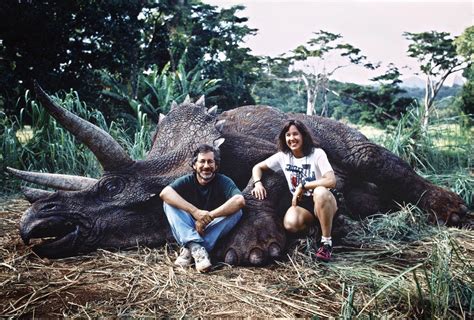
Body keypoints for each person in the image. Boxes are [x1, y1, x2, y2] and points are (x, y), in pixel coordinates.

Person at [251, 119, 338, 262]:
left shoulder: (317, 154)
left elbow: (331, 181)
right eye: (288, 135)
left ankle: (326, 243)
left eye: (295, 134)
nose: (292, 138)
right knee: (290, 224)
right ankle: (317, 229)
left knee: (320, 192)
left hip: (323, 200)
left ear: (303, 135)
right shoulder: (283, 156)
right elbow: (257, 167)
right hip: (302, 203)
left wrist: (303, 186)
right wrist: (258, 183)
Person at [160, 144, 245, 272]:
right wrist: (195, 212)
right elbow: (165, 193)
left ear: (216, 166)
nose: (206, 166)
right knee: (168, 203)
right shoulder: (187, 180)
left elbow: (239, 200)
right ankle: (197, 248)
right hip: (189, 226)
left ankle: (190, 249)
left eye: (210, 162)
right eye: (202, 161)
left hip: (210, 227)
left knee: (237, 211)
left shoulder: (223, 181)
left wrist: (208, 217)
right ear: (194, 165)